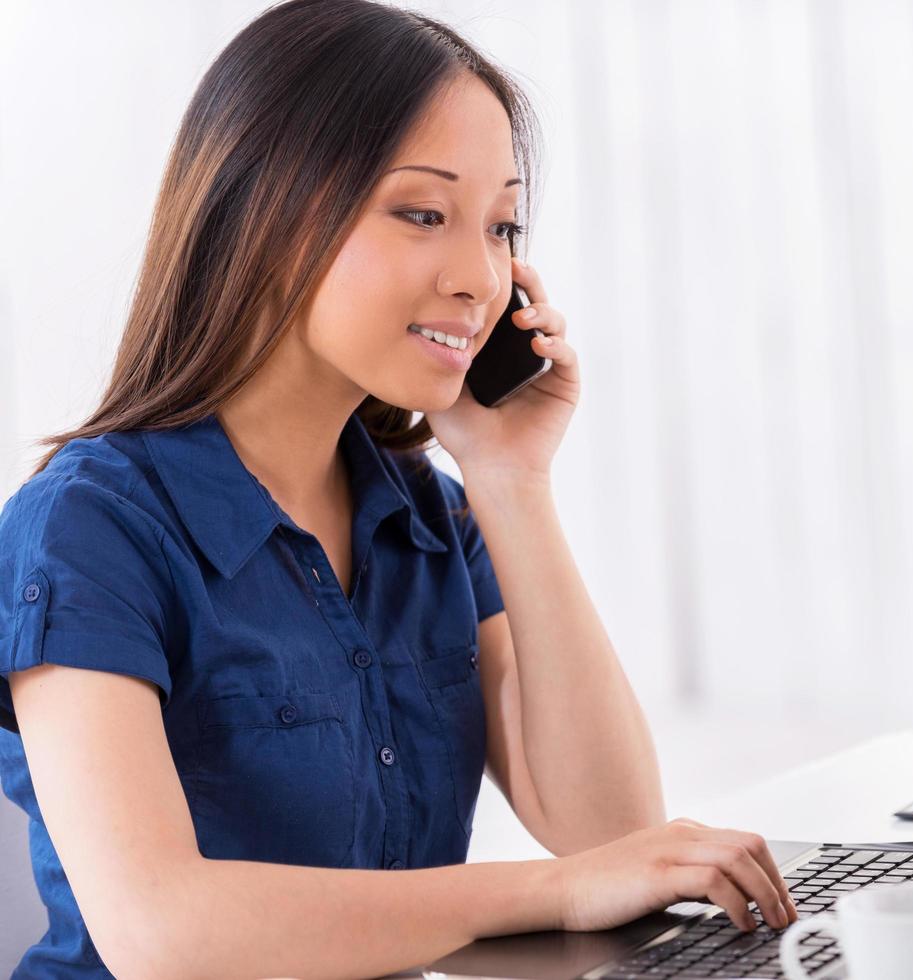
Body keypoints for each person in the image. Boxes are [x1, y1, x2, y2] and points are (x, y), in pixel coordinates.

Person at [0, 1, 796, 975]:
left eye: (502, 225)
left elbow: (610, 832)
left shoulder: (427, 517)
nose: (481, 276)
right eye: (424, 213)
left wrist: (511, 479)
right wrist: (548, 893)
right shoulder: (87, 529)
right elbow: (162, 931)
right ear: (266, 213)